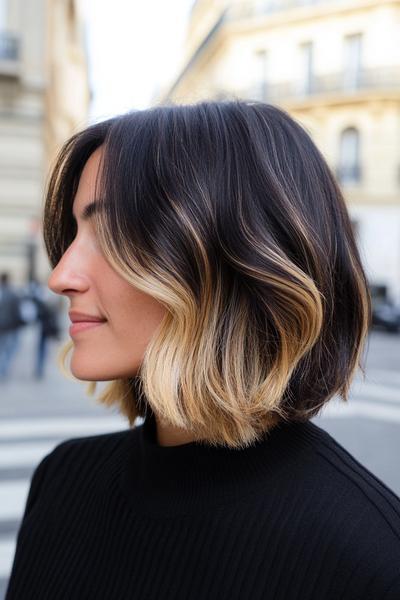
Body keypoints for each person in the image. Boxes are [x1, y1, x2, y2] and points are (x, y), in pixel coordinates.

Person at [6, 101, 400, 599]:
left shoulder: (372, 560)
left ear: (237, 259)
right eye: (75, 232)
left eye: (110, 233)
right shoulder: (63, 481)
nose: (60, 276)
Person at [0, 272, 23, 380]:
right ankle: (3, 370)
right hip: (8, 327)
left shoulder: (11, 294)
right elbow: (17, 312)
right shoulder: (13, 294)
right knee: (8, 349)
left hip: (6, 326)